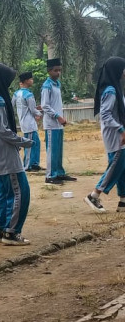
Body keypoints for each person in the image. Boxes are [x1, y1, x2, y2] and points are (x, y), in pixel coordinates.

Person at [0, 63, 34, 245]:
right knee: (21, 191)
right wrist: (23, 141)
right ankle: (12, 232)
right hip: (6, 156)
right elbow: (2, 130)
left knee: (3, 192)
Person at [84, 56, 125, 214]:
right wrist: (121, 130)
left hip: (119, 132)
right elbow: (105, 115)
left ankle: (123, 201)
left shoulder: (116, 88)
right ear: (117, 70)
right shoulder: (110, 90)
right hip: (115, 134)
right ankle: (94, 195)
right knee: (115, 166)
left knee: (122, 167)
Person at [41, 58, 77, 185]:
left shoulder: (57, 84)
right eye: (56, 70)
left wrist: (61, 118)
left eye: (59, 70)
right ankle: (50, 175)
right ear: (49, 71)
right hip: (51, 123)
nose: (58, 73)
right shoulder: (47, 85)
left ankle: (59, 173)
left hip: (59, 123)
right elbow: (45, 105)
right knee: (52, 150)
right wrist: (58, 116)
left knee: (58, 150)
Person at [12, 71, 43, 171]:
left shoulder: (16, 94)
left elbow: (12, 105)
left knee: (35, 142)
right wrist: (39, 114)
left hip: (24, 122)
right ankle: (27, 165)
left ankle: (34, 163)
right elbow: (33, 109)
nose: (32, 80)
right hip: (29, 123)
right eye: (31, 79)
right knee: (30, 144)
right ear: (26, 81)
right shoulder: (28, 94)